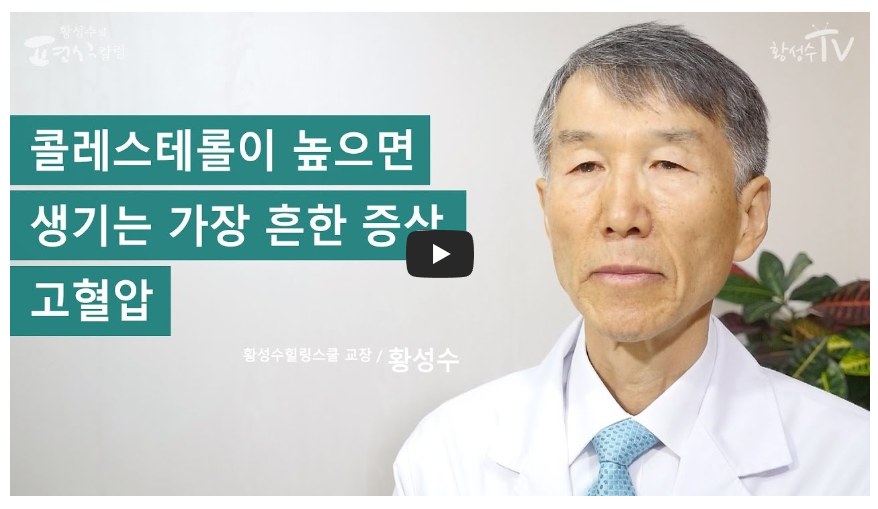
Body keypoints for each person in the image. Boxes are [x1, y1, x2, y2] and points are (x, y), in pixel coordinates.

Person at [391, 21, 869, 496]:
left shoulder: (854, 466)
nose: (621, 216)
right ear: (546, 209)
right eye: (586, 165)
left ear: (749, 217)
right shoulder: (444, 457)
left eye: (668, 164)